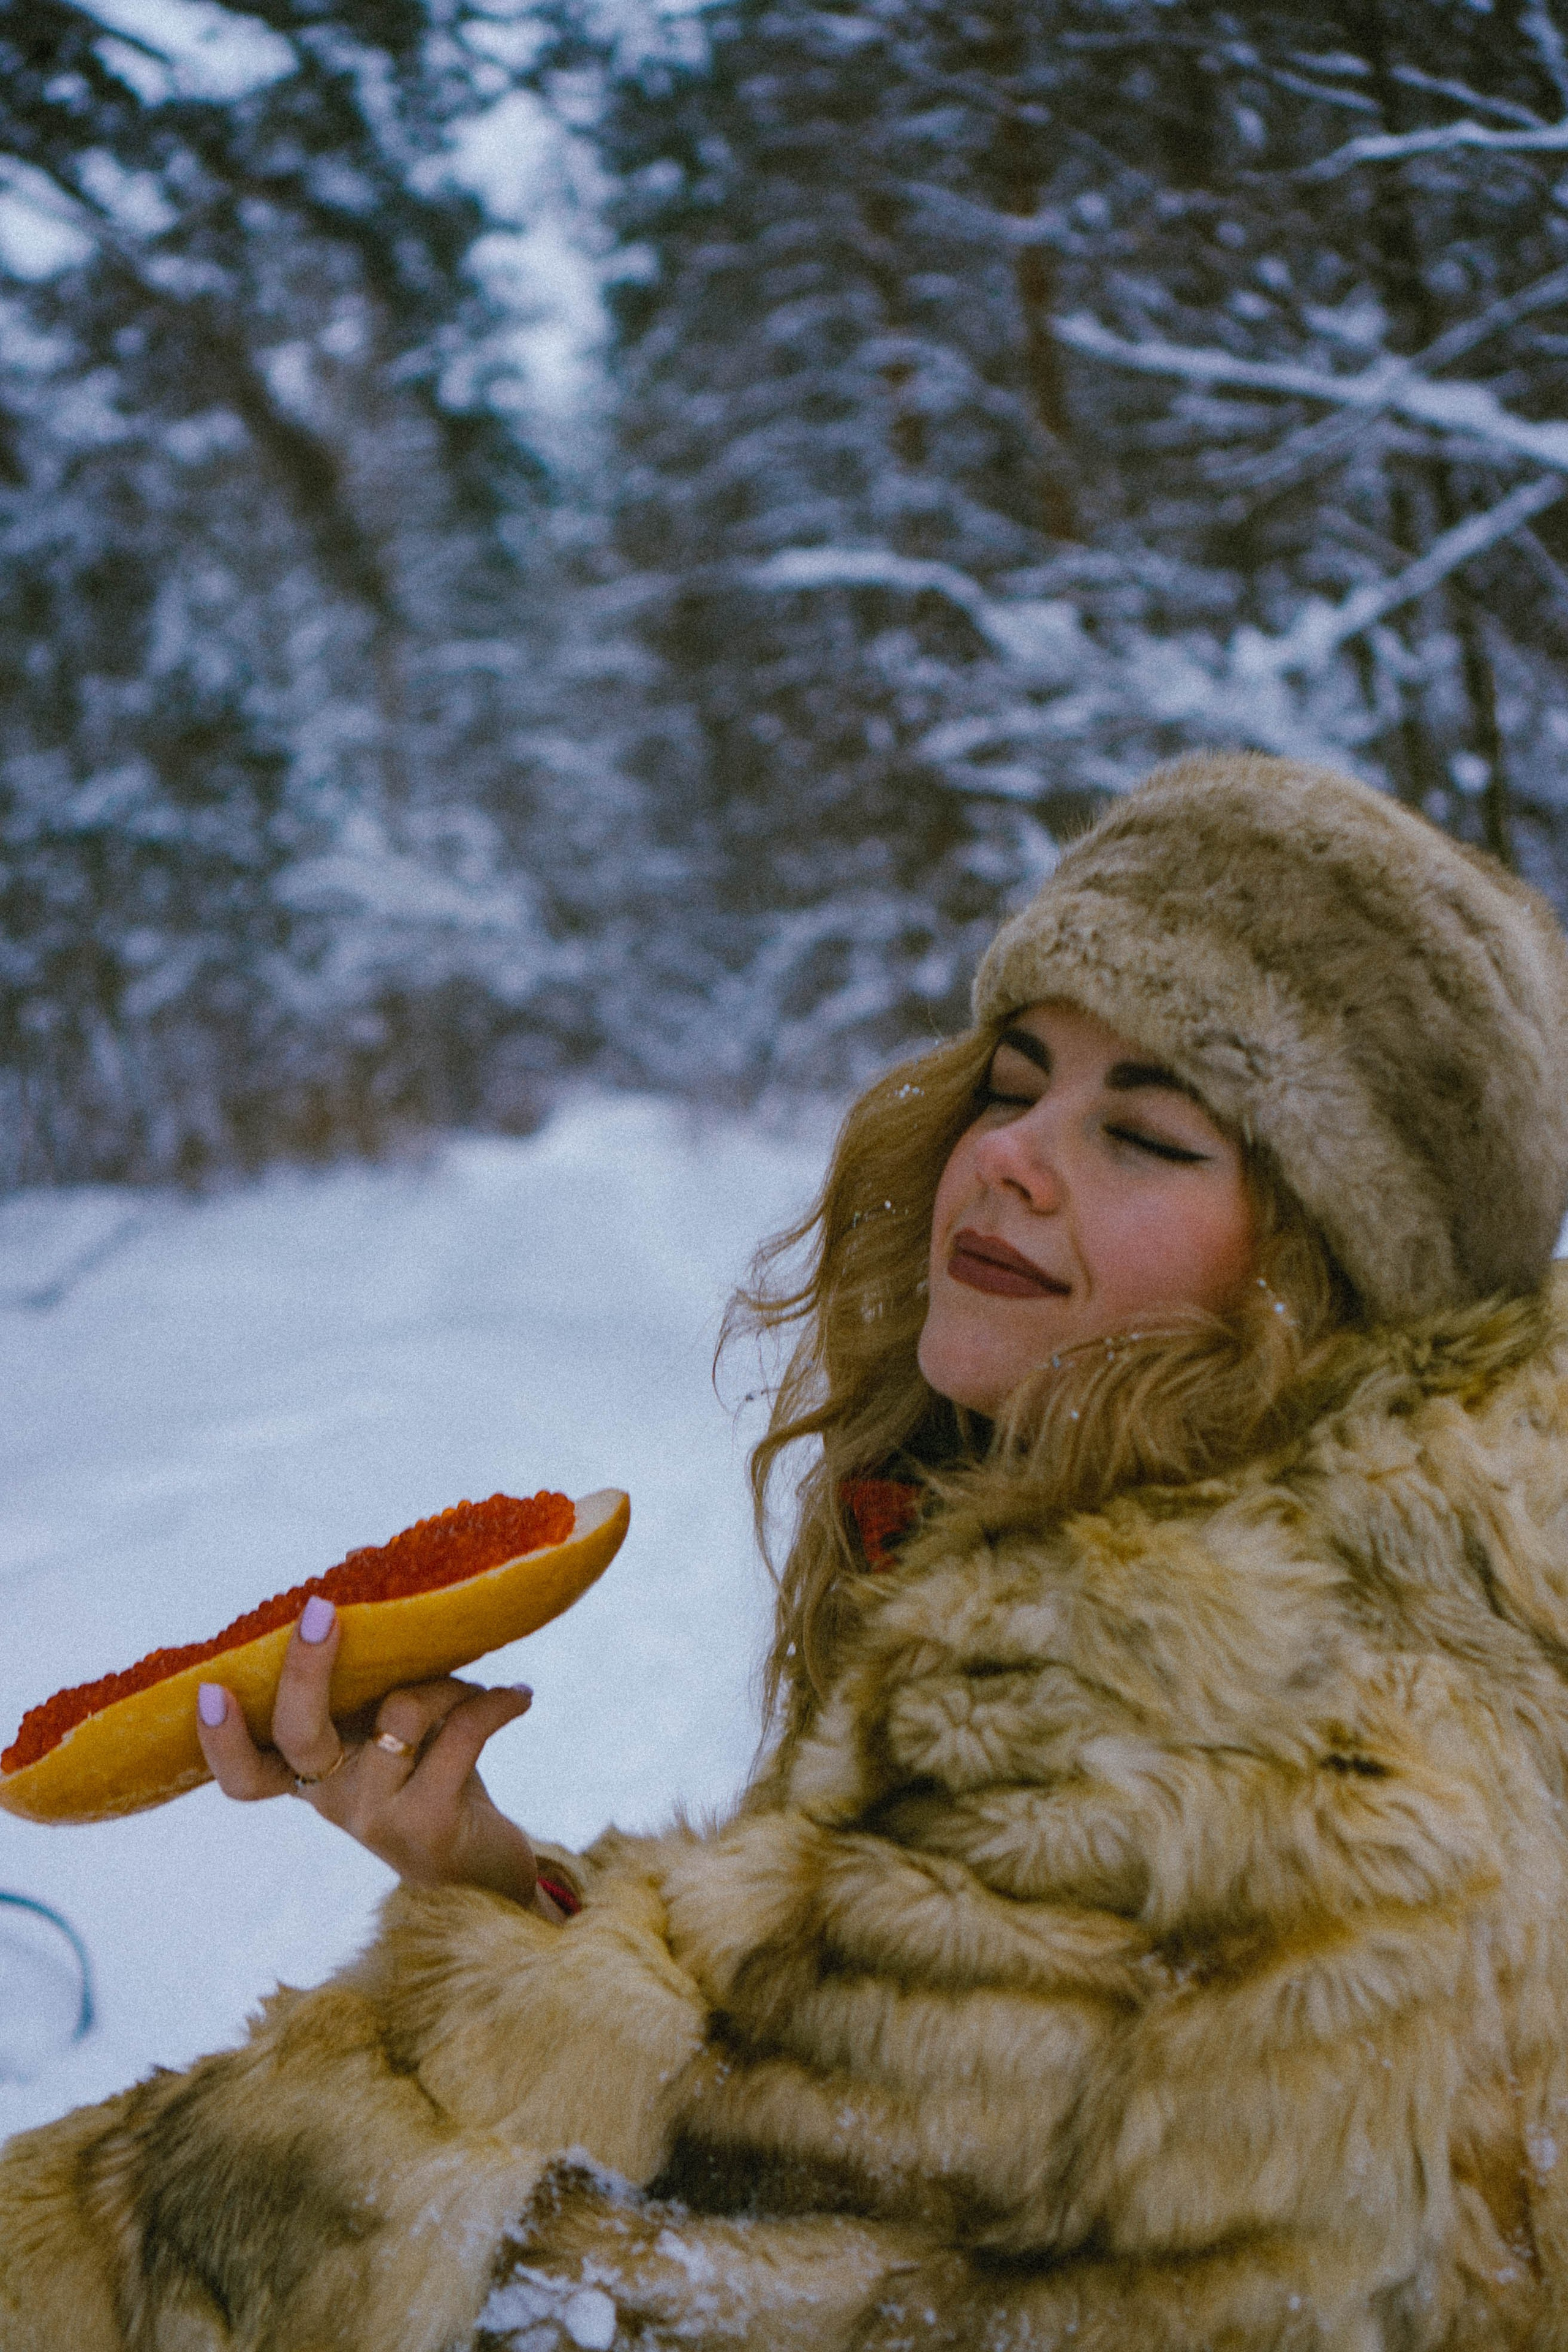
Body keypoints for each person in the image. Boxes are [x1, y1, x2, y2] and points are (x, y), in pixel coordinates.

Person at [7, 750, 1568, 2352]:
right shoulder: (1351, 1586)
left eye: (1149, 1135)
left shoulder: (1225, 1734)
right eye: (1019, 1079)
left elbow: (648, 2272)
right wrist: (492, 1881)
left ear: (1319, 1273)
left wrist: (85, 2240)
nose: (1014, 1155)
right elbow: (838, 2103)